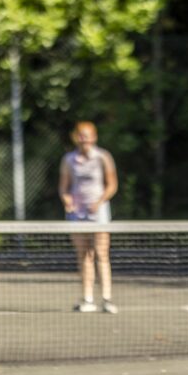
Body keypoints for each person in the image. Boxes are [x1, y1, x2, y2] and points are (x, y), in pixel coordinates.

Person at [59, 121, 119, 314]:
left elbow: (112, 185)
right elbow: (64, 187)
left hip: (99, 213)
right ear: (76, 137)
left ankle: (107, 299)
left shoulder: (103, 157)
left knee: (101, 254)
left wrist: (99, 201)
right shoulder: (69, 160)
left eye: (88, 135)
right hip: (78, 214)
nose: (85, 139)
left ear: (94, 137)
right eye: (81, 135)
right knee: (84, 256)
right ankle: (87, 299)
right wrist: (67, 199)